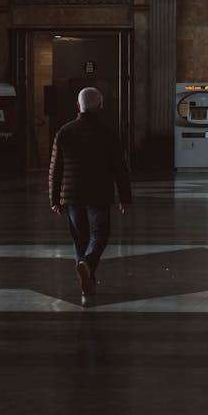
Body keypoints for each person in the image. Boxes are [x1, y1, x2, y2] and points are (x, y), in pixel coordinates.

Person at [49, 86, 131, 303]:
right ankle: (87, 266)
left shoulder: (64, 132)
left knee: (79, 240)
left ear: (78, 106)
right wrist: (125, 196)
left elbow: (55, 169)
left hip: (73, 196)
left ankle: (87, 286)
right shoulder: (108, 132)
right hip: (99, 194)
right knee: (99, 235)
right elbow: (119, 167)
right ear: (101, 106)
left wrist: (54, 198)